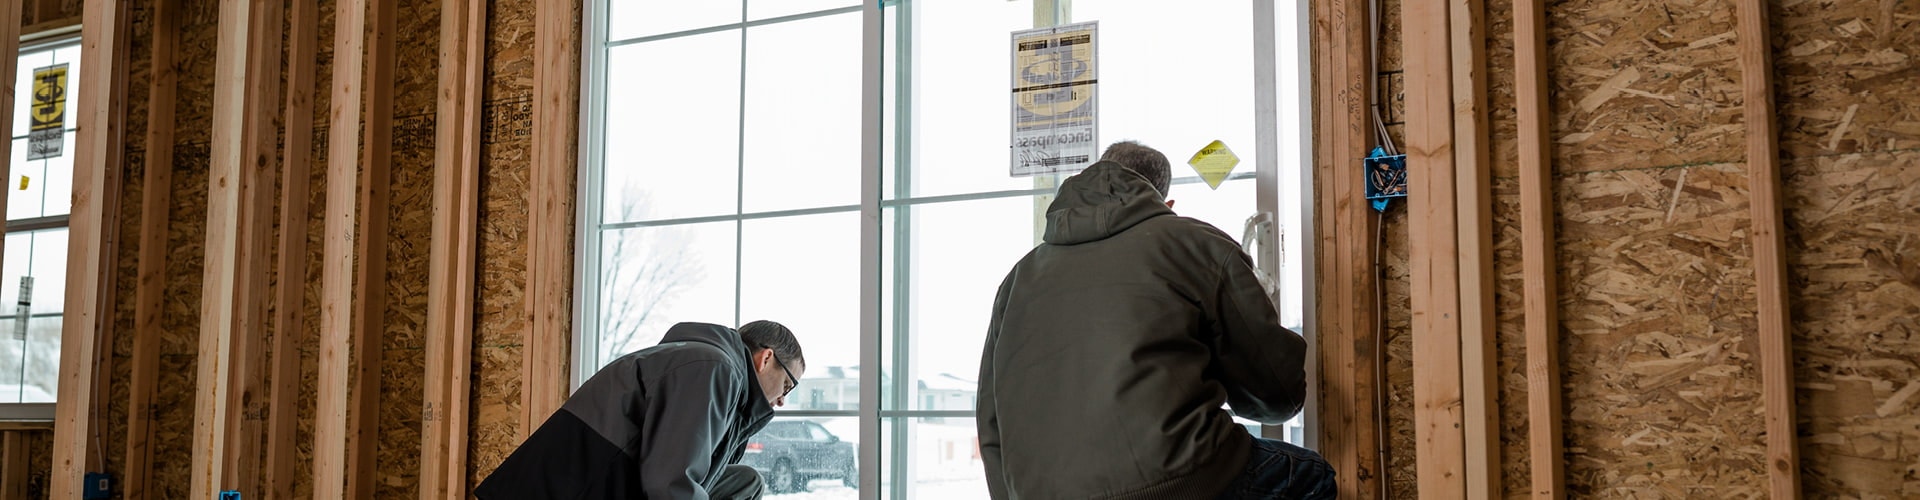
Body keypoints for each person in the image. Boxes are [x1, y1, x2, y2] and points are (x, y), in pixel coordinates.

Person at [977, 140, 1335, 499]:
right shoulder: (1194, 242)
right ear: (1165, 204)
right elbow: (1276, 396)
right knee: (1314, 475)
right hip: (1174, 481)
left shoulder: (1018, 277)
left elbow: (991, 421)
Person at [477, 320, 806, 500]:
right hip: (571, 489)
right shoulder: (713, 369)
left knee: (744, 482)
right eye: (787, 386)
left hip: (613, 481)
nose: (780, 401)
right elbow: (670, 484)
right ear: (766, 359)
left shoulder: (714, 370)